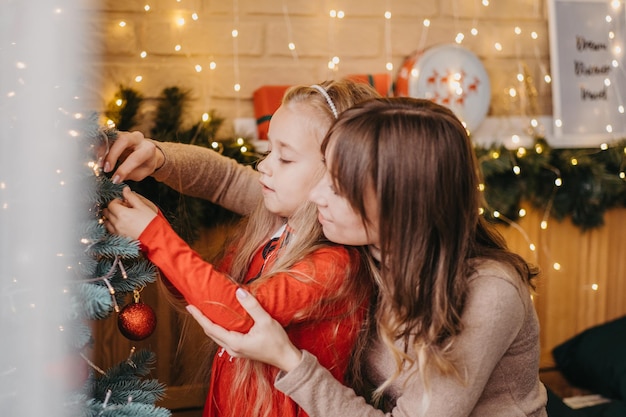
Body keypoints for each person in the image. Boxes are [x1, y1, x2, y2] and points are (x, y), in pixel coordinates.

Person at [185, 97, 549, 417]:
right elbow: (234, 184)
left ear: (397, 204)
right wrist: (158, 159)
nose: (316, 196)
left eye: (338, 186)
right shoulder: (368, 247)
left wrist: (289, 361)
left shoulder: (488, 293)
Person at [101, 80, 381, 417]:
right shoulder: (271, 234)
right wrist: (151, 235)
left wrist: (157, 236)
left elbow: (238, 316)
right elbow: (207, 300)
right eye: (268, 152)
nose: (263, 166)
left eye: (285, 158)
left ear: (337, 175)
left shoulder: (335, 263)